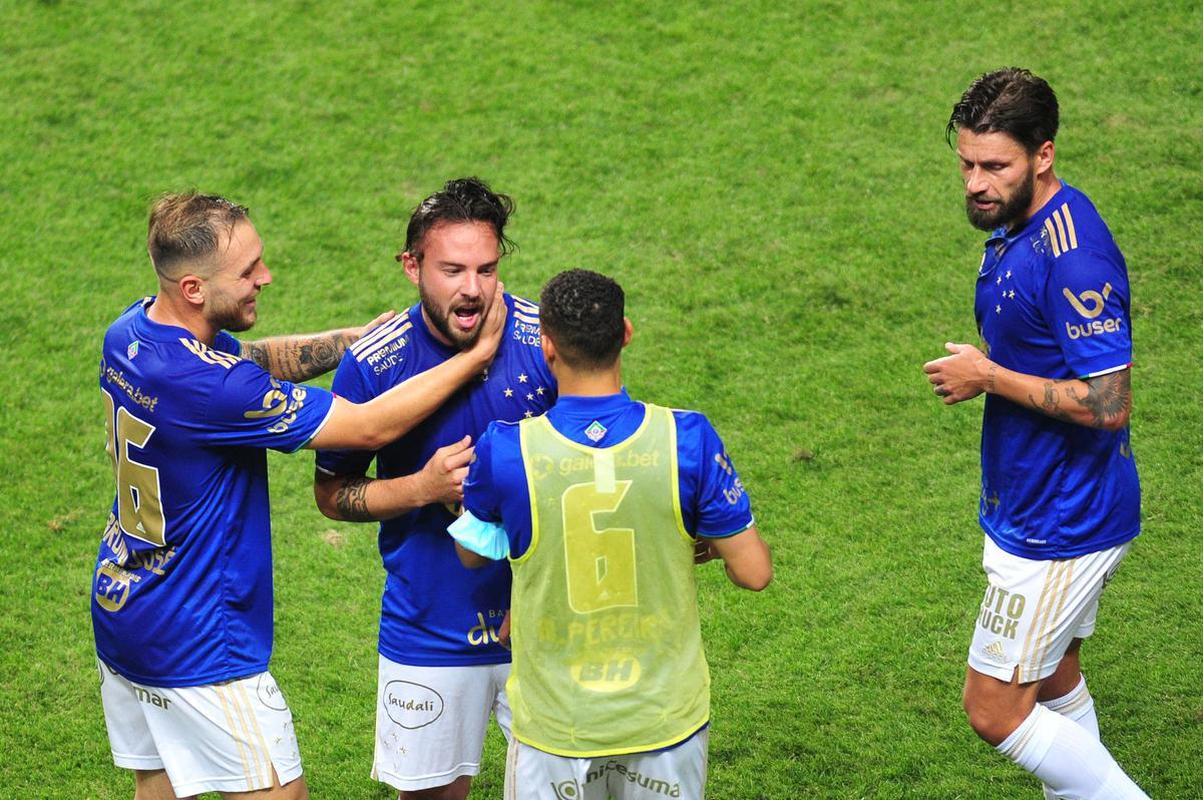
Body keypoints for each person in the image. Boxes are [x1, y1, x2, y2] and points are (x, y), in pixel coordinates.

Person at [93, 191, 506, 800]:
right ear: (194, 289)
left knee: (158, 784)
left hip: (124, 606)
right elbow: (369, 427)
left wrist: (353, 339)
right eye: (247, 271)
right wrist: (478, 357)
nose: (266, 276)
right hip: (197, 639)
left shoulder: (131, 331)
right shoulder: (214, 391)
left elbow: (248, 360)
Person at [450, 268, 772, 799]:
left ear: (547, 347)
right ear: (625, 332)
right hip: (664, 721)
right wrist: (689, 541)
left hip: (557, 726)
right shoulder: (686, 438)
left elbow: (470, 555)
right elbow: (755, 573)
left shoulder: (505, 449)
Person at [924, 68, 1147, 799]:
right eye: (966, 164)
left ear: (1042, 155)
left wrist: (989, 377)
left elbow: (1109, 402)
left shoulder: (1072, 255)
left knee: (991, 709)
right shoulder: (1017, 226)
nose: (975, 183)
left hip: (1061, 520)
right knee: (1052, 672)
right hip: (1034, 500)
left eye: (995, 166)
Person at [312, 177, 556, 800]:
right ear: (411, 266)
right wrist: (419, 487)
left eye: (487, 268)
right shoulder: (374, 363)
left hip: (546, 621)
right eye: (452, 269)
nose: (472, 288)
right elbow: (333, 494)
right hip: (429, 628)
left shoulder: (547, 342)